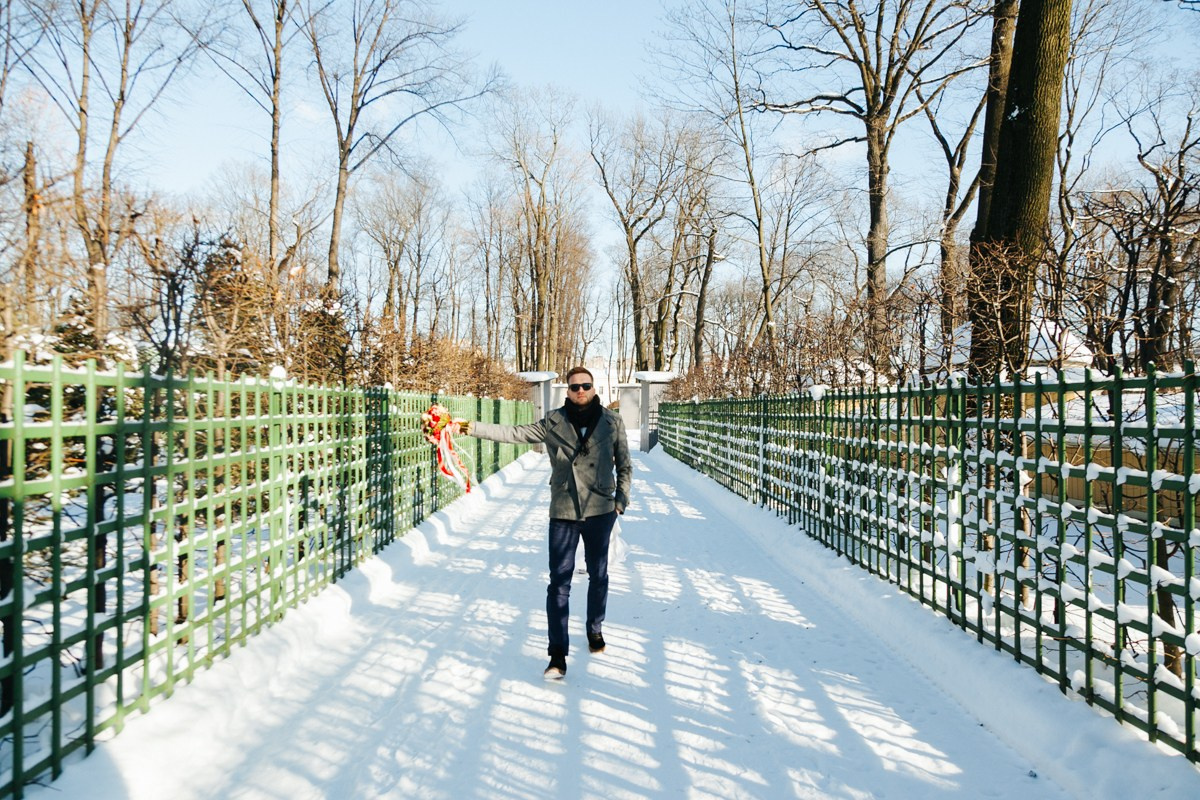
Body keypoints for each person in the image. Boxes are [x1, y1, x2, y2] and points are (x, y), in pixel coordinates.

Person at [453, 366, 632, 679]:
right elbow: (513, 434)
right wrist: (466, 426)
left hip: (601, 509)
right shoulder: (554, 422)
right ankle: (557, 655)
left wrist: (620, 501)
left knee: (598, 574)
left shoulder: (612, 421)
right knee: (559, 583)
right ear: (567, 391)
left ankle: (594, 628)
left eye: (585, 386)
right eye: (574, 386)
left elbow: (626, 465)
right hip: (564, 509)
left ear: (593, 388)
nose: (580, 391)